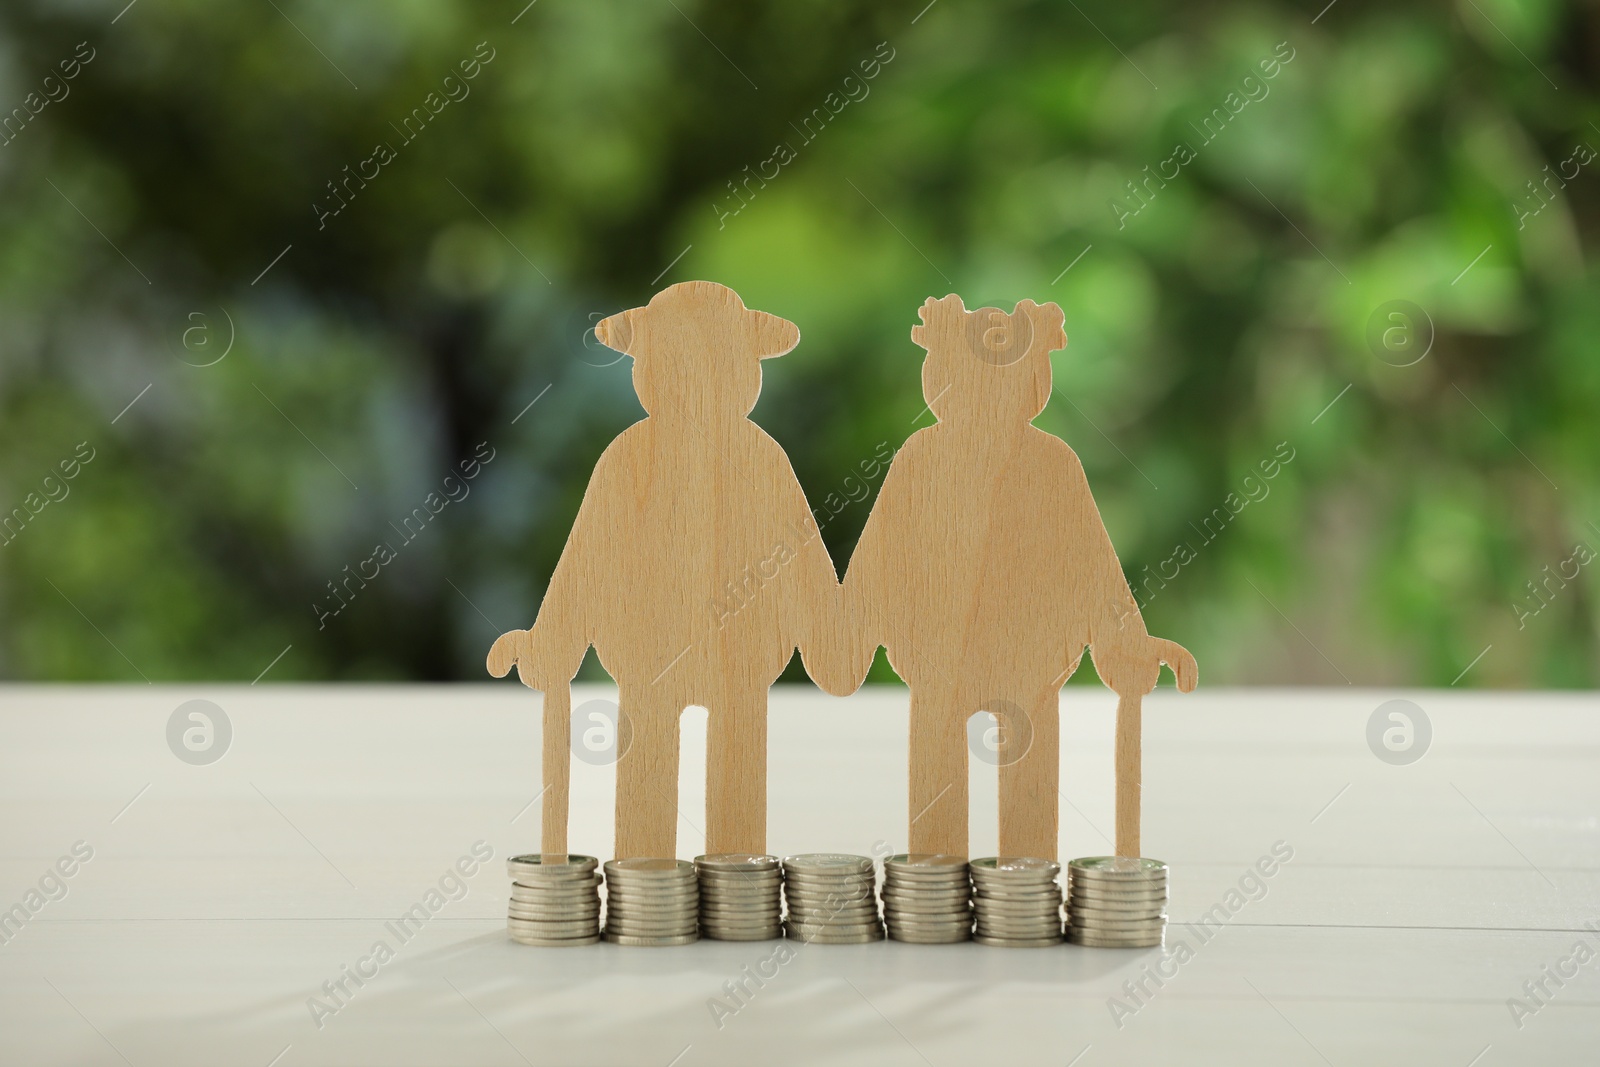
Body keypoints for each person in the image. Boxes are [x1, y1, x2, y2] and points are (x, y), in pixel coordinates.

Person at [488, 281, 852, 859]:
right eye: (679, 364)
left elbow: (801, 558)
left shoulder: (762, 459)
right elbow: (588, 559)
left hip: (742, 655)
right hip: (647, 654)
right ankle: (646, 880)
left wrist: (831, 638)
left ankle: (737, 884)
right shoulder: (629, 458)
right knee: (647, 779)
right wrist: (549, 644)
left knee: (736, 783)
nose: (699, 380)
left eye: (718, 362)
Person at [837, 294, 1196, 860]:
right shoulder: (919, 461)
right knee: (936, 815)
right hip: (937, 666)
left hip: (1029, 666)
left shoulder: (1053, 464)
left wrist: (1127, 642)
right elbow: (881, 557)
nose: (984, 390)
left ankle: (1023, 892)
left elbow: (1091, 568)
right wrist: (847, 636)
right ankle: (935, 891)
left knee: (1028, 811)